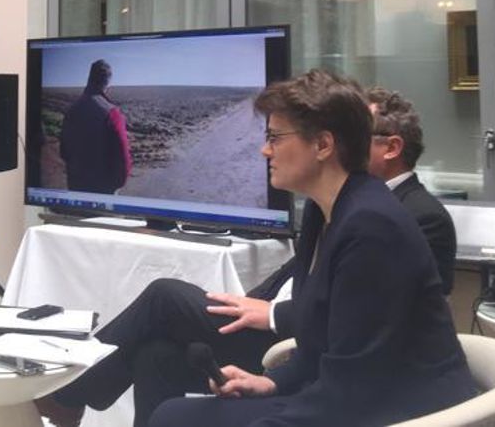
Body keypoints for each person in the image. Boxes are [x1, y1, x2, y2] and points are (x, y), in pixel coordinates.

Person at [39, 80, 464, 427]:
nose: (265, 150)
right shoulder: (327, 209)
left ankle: (66, 396)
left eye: (275, 137)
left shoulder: (371, 226)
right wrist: (272, 384)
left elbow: (355, 382)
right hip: (339, 388)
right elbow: (323, 339)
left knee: (175, 416)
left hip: (392, 408)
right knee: (157, 359)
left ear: (323, 145)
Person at [365, 86, 456, 295]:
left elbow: (387, 300)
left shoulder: (424, 217)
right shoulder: (348, 203)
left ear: (391, 148)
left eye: (356, 135)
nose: (344, 146)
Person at [59, 59, 131, 193]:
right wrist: (116, 184)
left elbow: (64, 151)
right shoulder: (111, 113)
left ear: (89, 78)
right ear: (107, 81)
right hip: (102, 189)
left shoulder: (71, 110)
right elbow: (123, 159)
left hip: (76, 184)